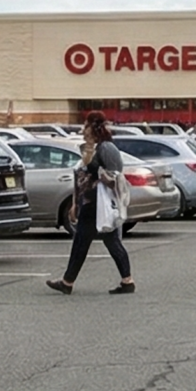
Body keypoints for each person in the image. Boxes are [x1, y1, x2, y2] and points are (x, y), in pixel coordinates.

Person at [49, 112, 134, 295]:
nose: (82, 129)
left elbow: (115, 176)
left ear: (93, 127)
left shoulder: (106, 148)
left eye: (85, 125)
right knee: (110, 241)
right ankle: (127, 281)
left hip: (97, 203)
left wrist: (95, 169)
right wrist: (75, 204)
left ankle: (67, 281)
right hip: (87, 202)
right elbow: (80, 178)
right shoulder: (88, 148)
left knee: (82, 241)